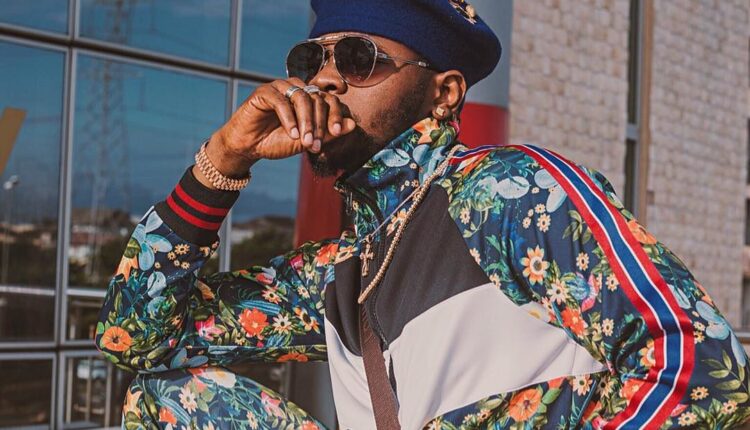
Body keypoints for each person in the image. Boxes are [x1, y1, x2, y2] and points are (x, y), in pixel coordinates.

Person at [95, 0, 750, 429]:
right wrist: (223, 159)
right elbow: (136, 339)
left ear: (444, 93)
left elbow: (700, 370)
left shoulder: (507, 191)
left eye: (359, 59)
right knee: (167, 397)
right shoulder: (342, 268)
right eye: (311, 59)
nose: (325, 79)